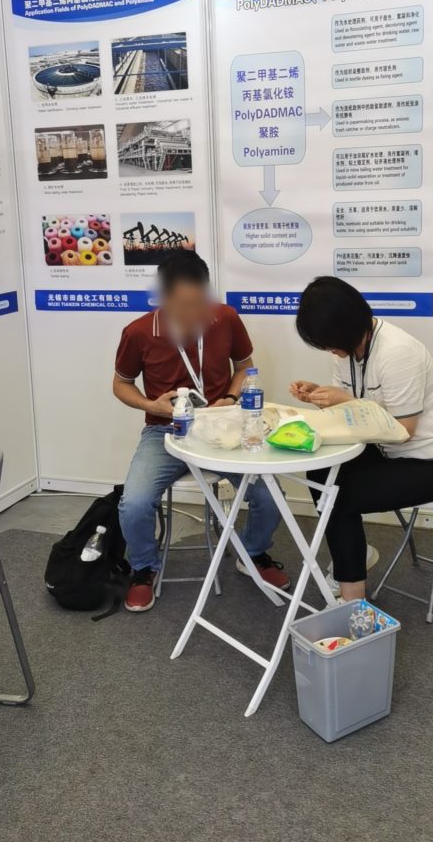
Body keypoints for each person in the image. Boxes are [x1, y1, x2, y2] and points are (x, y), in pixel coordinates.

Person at [113, 252, 290, 612]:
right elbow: (121, 384)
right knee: (134, 503)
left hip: (223, 427)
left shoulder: (225, 318)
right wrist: (151, 405)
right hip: (166, 431)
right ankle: (143, 568)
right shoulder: (139, 332)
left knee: (270, 495)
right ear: (164, 297)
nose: (194, 313)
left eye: (199, 302)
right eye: (184, 305)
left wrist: (230, 398)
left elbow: (244, 367)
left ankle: (252, 553)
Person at [290, 277, 433, 603]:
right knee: (320, 474)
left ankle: (353, 599)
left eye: (331, 342)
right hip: (387, 450)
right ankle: (354, 558)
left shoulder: (398, 353)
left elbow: (403, 430)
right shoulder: (344, 350)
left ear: (349, 326)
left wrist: (345, 400)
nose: (330, 351)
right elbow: (354, 412)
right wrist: (321, 396)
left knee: (339, 497)